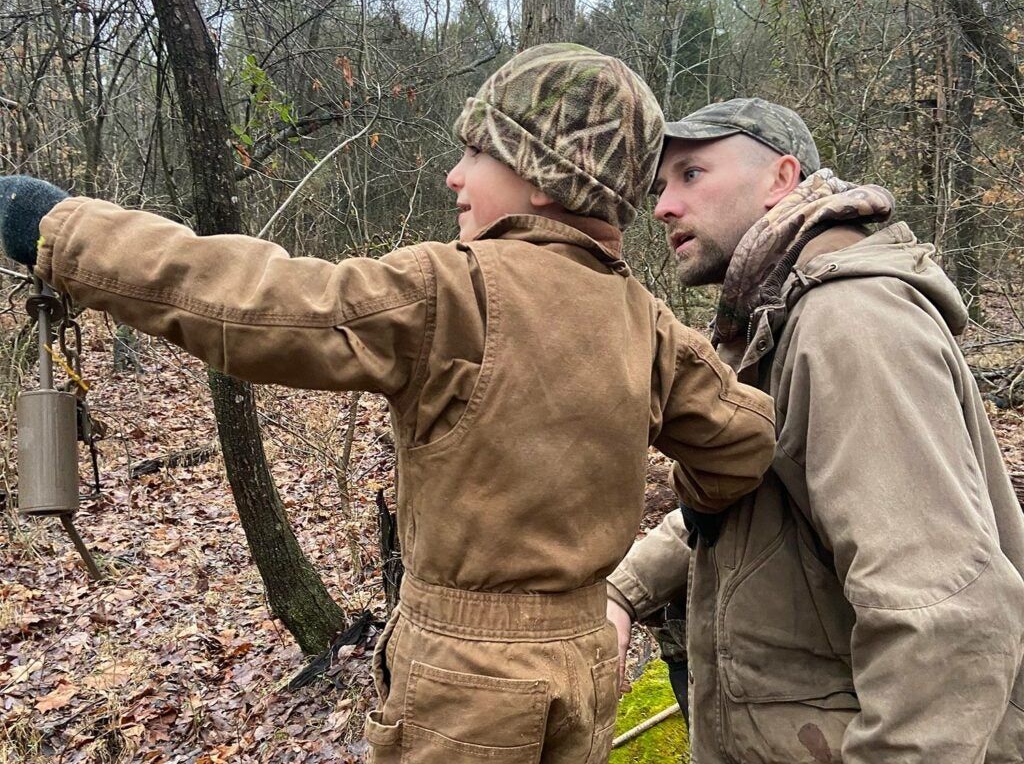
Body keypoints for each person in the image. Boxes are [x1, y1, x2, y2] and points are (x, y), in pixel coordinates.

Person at [0, 47, 777, 762]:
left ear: (542, 175)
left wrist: (63, 230)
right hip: (585, 664)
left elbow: (255, 301)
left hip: (464, 680)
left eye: (477, 151)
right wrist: (700, 505)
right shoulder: (647, 323)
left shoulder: (452, 290)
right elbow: (743, 440)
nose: (454, 175)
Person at [606, 97, 1024, 763]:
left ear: (781, 179)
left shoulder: (848, 324)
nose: (661, 206)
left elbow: (941, 617)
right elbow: (755, 508)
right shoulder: (775, 321)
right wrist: (624, 591)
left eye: (691, 175)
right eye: (659, 187)